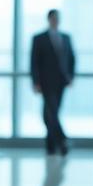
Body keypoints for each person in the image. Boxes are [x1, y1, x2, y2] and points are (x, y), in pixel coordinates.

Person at [30, 9, 75, 156]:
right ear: (49, 20)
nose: (55, 21)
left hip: (61, 82)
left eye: (57, 18)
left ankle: (52, 146)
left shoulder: (66, 38)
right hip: (46, 82)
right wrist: (36, 82)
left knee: (51, 114)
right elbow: (34, 62)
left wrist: (70, 77)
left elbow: (72, 59)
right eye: (53, 18)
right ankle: (62, 140)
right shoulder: (39, 38)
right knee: (51, 114)